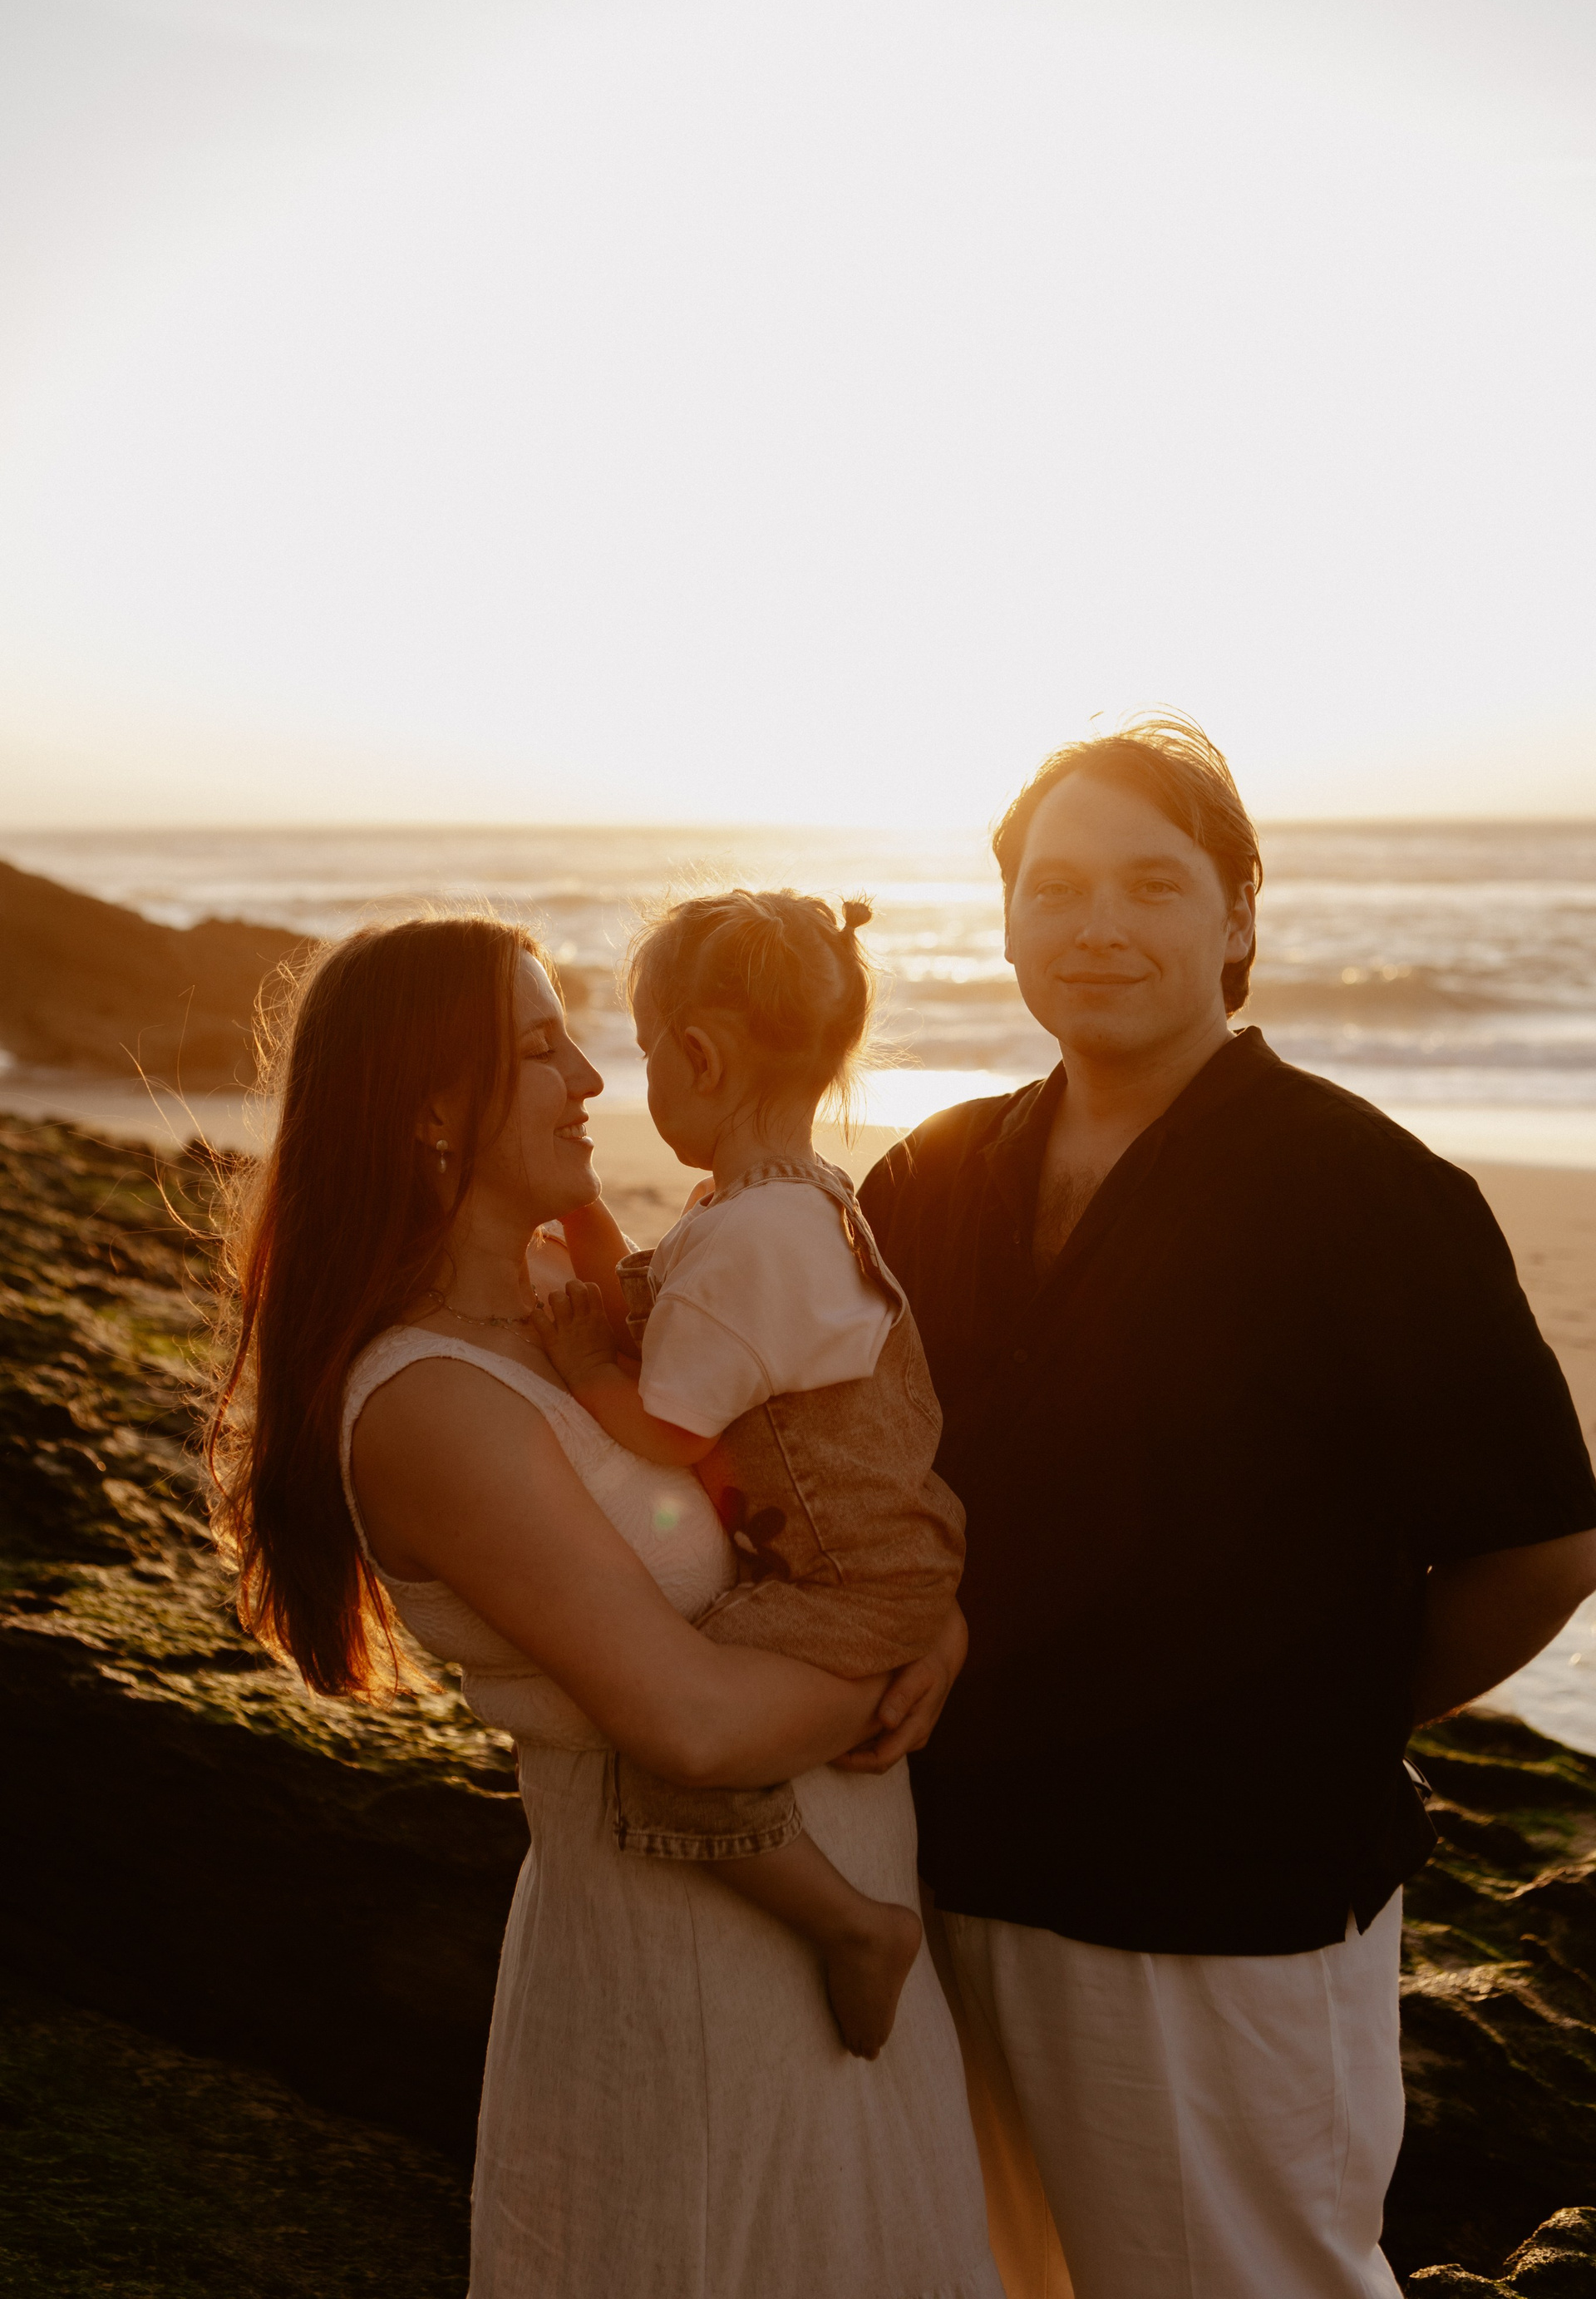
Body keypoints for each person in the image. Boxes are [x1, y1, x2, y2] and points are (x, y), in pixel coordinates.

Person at [859, 718, 1596, 2299]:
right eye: (1057, 887)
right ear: (1006, 920)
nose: (1098, 925)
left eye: (1153, 884)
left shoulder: (1364, 1190)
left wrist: (1317, 1711)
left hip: (1222, 1898)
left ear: (1237, 916)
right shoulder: (928, 1173)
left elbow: (1542, 1542)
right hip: (951, 1862)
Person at [207, 913, 1000, 2299]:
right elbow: (690, 1727)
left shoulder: (565, 1294)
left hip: (847, 1947)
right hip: (688, 1989)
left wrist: (929, 1615)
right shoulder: (429, 1404)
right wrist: (891, 1660)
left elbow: (791, 1469)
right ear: (431, 1113)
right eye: (540, 1046)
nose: (588, 1078)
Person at [536, 887, 964, 2058]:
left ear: (700, 1056)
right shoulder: (795, 1205)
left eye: (643, 1056)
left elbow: (668, 1430)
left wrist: (585, 1368)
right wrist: (580, 1215)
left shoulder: (745, 1242)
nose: (634, 1082)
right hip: (898, 1553)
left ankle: (854, 1926)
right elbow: (667, 1305)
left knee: (672, 1743)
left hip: (845, 1584)